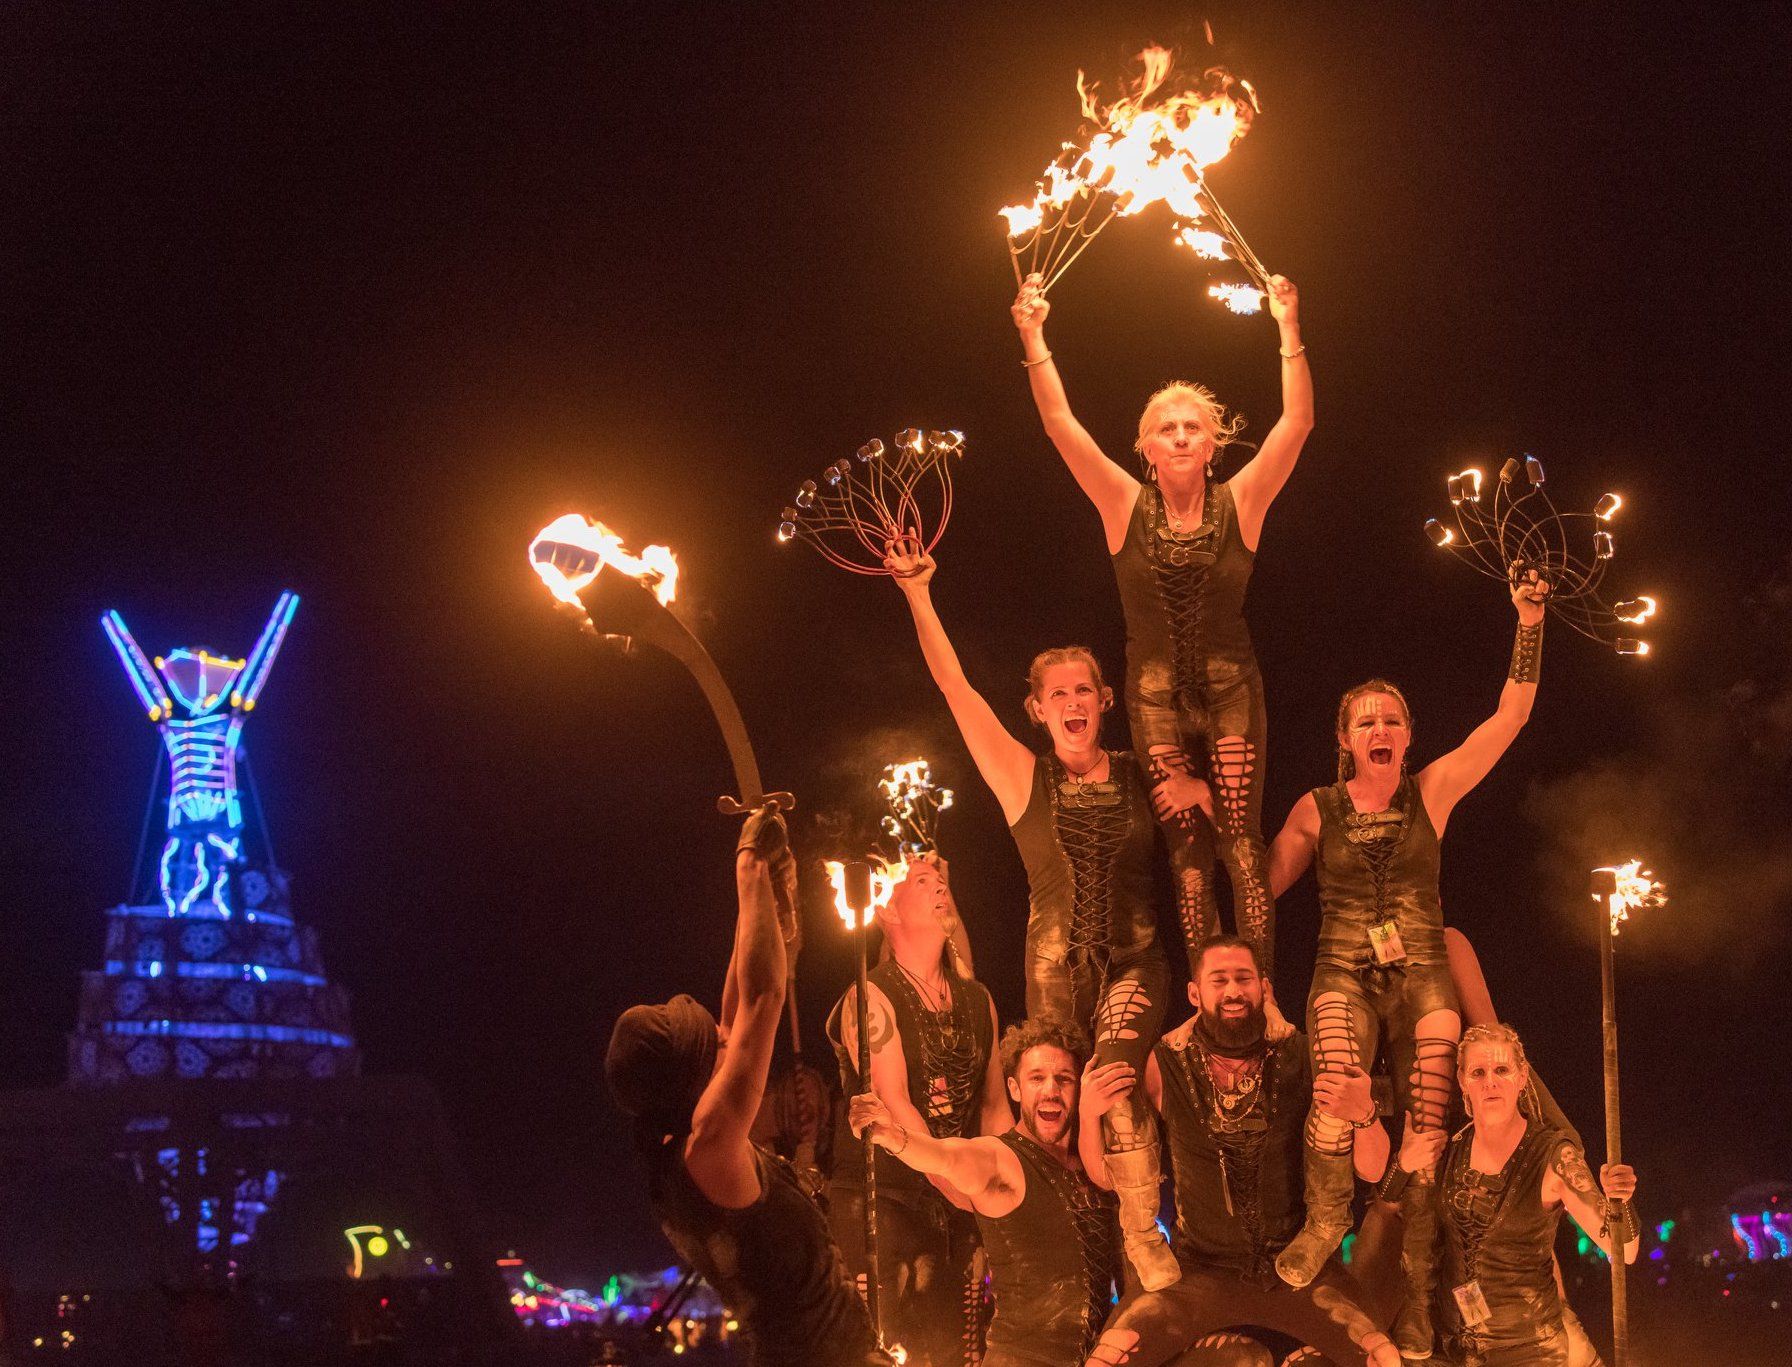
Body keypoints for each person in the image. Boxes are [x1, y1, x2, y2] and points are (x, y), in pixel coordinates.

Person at [1011, 271, 1312, 1038]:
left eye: (1192, 427)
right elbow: (1058, 425)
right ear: (1145, 448)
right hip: (1150, 695)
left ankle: (1263, 995)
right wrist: (1033, 335)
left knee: (1241, 845)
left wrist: (1288, 325)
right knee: (1184, 844)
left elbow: (1298, 423)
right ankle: (1207, 998)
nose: (1180, 437)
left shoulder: (1243, 500)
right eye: (1166, 428)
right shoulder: (1122, 503)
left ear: (1212, 444)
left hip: (1229, 680)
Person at [1265, 577, 1548, 1358]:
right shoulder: (1315, 808)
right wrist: (1210, 829)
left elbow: (1511, 717)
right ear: (1346, 739)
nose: (1379, 726)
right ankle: (1327, 1218)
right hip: (1341, 966)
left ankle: (1419, 1297)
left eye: (1391, 717)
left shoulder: (1434, 790)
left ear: (1408, 735)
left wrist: (1528, 622)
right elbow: (1261, 883)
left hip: (1421, 961)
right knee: (1334, 1081)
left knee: (1426, 1131)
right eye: (1366, 720)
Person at [886, 542, 1176, 1289]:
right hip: (1052, 974)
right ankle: (1073, 1278)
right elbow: (954, 687)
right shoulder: (1024, 777)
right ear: (1038, 709)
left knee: (1113, 1082)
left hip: (1138, 961)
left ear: (1103, 700)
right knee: (1053, 1121)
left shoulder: (1147, 775)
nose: (1074, 702)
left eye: (1086, 689)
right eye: (1059, 693)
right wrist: (919, 595)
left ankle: (1145, 1242)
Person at [605, 807, 885, 1366]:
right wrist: (750, 867)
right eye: (710, 1039)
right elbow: (762, 999)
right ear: (693, 1080)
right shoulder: (708, 1148)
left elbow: (739, 1011)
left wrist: (768, 889)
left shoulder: (691, 1144)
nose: (722, 1032)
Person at [1081, 936, 1399, 1367]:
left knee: (1382, 1359)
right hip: (1197, 1271)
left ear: (1263, 988)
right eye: (1219, 980)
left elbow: (1373, 1169)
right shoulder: (1163, 1064)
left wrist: (1365, 1115)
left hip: (1300, 1268)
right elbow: (1106, 1176)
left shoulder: (1302, 1056)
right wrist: (1087, 1114)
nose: (1233, 991)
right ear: (1195, 993)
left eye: (1244, 979)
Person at [852, 1014, 1123, 1367]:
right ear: (1014, 1088)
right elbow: (947, 1157)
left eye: (1064, 1079)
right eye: (1036, 1078)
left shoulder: (1094, 1159)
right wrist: (894, 1136)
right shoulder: (1002, 1160)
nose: (1051, 1091)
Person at [828, 857, 1011, 1367]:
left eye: (943, 883)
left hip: (958, 1205)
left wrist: (1014, 1186)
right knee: (882, 1351)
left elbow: (995, 1109)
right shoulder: (869, 997)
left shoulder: (978, 1000)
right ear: (887, 909)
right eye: (923, 883)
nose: (941, 891)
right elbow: (895, 1104)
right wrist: (969, 1191)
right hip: (883, 1204)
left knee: (960, 1353)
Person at [1379, 1024, 1638, 1365]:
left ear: (1521, 1076)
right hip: (1455, 1349)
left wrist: (1621, 1200)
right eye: (1478, 1072)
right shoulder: (1451, 1148)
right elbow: (1390, 1200)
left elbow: (1624, 1251)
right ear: (1462, 1082)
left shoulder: (1553, 1157)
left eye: (1502, 1070)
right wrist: (1404, 1162)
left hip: (1531, 1352)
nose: (1490, 1082)